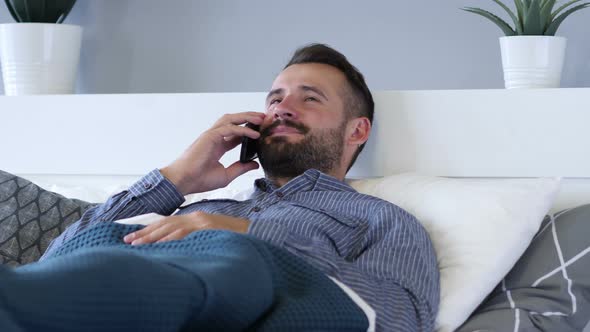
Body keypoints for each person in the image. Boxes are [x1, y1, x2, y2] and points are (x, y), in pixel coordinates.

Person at [30, 44, 439, 331]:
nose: (281, 107)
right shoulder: (202, 203)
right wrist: (178, 178)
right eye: (275, 98)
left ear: (357, 129)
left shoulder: (381, 219)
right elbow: (59, 258)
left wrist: (251, 235)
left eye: (309, 98)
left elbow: (404, 317)